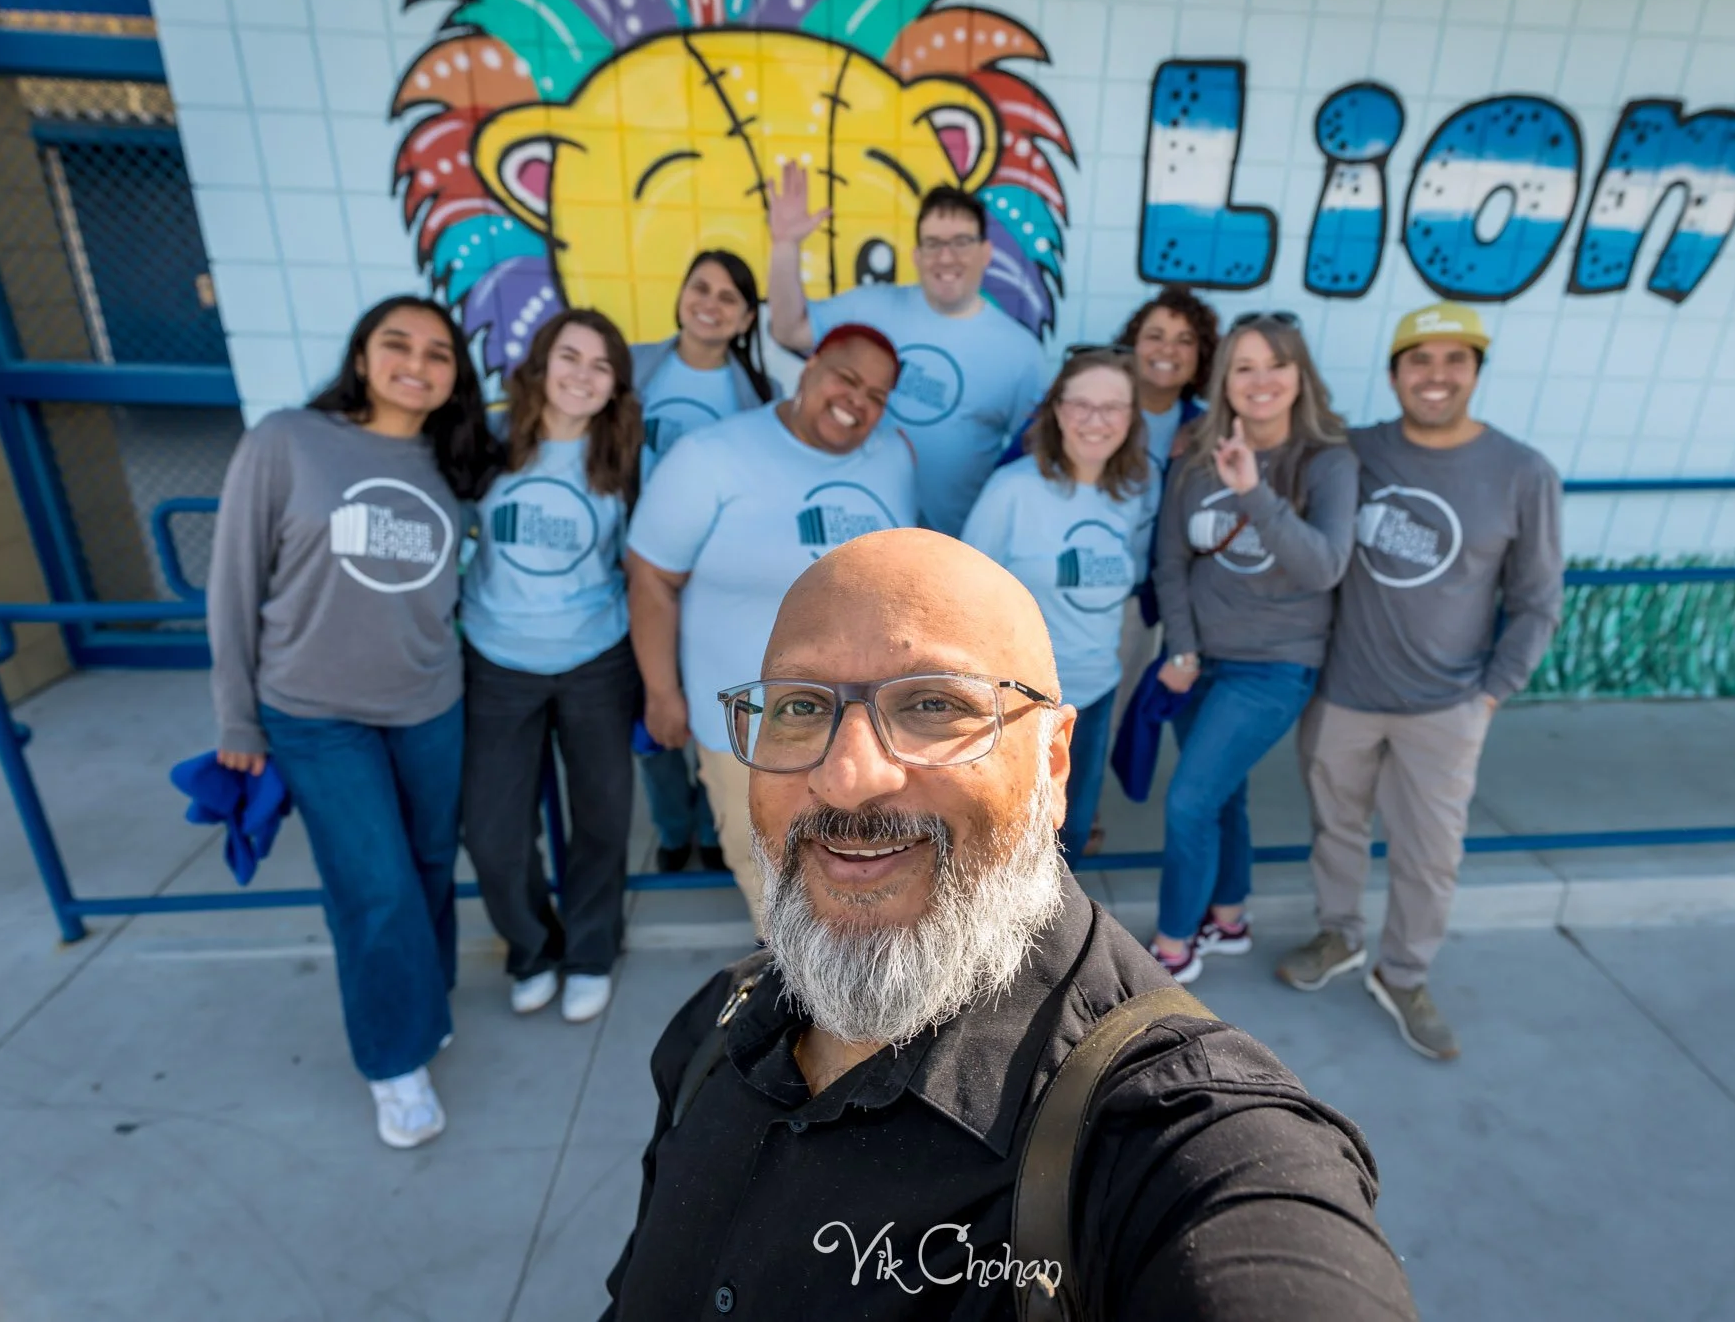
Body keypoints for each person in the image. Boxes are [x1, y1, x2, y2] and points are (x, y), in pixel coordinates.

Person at [599, 529, 1418, 1321]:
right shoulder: (716, 1030)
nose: (848, 779)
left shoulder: (1176, 1139)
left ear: (1054, 762)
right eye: (802, 706)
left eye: (931, 704)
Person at [208, 296, 499, 1149]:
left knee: (429, 864)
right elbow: (231, 585)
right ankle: (394, 1058)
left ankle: (423, 996)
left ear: (455, 378)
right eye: (396, 343)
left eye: (438, 352)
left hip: (428, 702)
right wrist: (237, 717)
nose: (417, 362)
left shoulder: (454, 463)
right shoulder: (287, 440)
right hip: (313, 712)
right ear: (362, 354)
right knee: (372, 885)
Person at [1279, 302, 1563, 1062]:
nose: (1435, 376)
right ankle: (1338, 932)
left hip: (1446, 704)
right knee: (1336, 828)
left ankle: (1403, 973)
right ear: (1396, 373)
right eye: (1419, 361)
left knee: (1429, 852)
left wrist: (1491, 694)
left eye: (1453, 360)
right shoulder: (1355, 450)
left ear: (1474, 370)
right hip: (1345, 692)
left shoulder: (1523, 472)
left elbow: (1537, 601)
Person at [626, 324, 915, 930]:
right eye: (847, 378)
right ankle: (797, 1010)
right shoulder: (712, 456)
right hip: (750, 727)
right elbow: (651, 575)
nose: (858, 400)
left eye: (877, 395)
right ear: (809, 368)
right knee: (772, 882)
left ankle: (850, 1005)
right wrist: (661, 691)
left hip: (864, 725)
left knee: (852, 872)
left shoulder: (893, 456)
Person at [1148, 315, 1357, 983]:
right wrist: (1181, 649)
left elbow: (1323, 565)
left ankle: (1173, 946)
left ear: (1300, 376)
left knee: (1187, 801)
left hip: (1274, 667)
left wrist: (1253, 493)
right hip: (1200, 661)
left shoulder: (1328, 460)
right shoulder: (1192, 455)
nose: (1261, 381)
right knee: (1221, 794)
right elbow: (1171, 562)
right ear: (1224, 380)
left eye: (1276, 365)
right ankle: (1229, 917)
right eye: (1244, 367)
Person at [461, 308, 642, 1025]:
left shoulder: (623, 452)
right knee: (494, 831)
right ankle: (532, 947)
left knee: (601, 814)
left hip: (596, 656)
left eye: (601, 366)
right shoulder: (490, 442)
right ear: (541, 362)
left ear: (615, 385)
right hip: (496, 658)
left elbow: (641, 561)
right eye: (570, 356)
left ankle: (592, 949)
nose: (583, 375)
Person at [766, 163, 1045, 536]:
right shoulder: (872, 307)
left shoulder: (1022, 354)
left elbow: (1035, 452)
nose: (946, 257)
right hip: (856, 531)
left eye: (961, 242)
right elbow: (789, 330)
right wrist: (785, 247)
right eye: (933, 243)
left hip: (949, 547)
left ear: (986, 252)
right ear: (916, 255)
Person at [962, 347, 1156, 866]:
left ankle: (1058, 950)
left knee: (1065, 848)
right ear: (1057, 410)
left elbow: (1132, 575)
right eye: (1081, 404)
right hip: (1022, 703)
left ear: (1132, 417)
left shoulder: (1132, 492)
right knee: (1006, 853)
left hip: (1093, 697)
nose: (1096, 420)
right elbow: (964, 594)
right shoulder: (1014, 490)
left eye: (1113, 407)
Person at [631, 251, 782, 875]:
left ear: (746, 317)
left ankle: (716, 817)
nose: (710, 304)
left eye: (728, 298)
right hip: (646, 570)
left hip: (713, 583)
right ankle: (673, 828)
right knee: (654, 699)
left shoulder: (759, 396)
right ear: (681, 296)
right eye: (701, 288)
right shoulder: (636, 369)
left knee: (716, 704)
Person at [1117, 284, 1220, 475]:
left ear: (1202, 356)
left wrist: (1201, 430)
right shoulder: (1091, 411)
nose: (1168, 349)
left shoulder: (1209, 429)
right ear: (1132, 346)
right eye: (1155, 337)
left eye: (1184, 341)